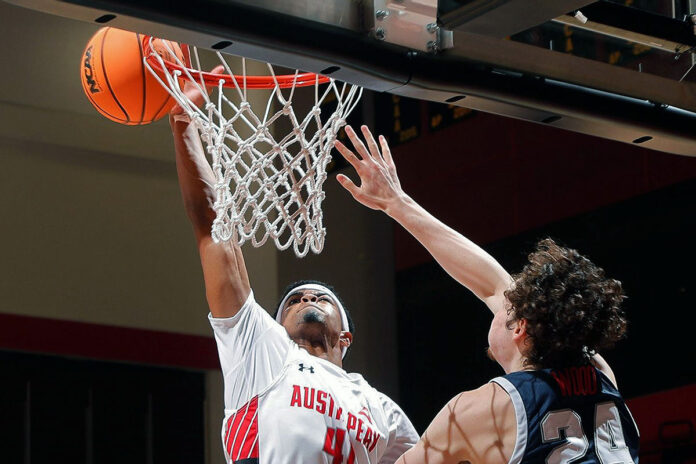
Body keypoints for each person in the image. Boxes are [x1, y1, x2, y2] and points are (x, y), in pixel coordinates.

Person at [334, 125, 640, 464]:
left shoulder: (486, 408)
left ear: (521, 328)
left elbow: (495, 285)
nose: (497, 297)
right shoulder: (600, 375)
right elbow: (490, 282)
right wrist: (397, 203)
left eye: (503, 308)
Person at [169, 75, 418, 464]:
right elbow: (212, 226)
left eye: (321, 298)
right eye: (294, 301)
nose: (307, 298)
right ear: (276, 327)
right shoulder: (264, 351)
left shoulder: (381, 409)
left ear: (346, 337)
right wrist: (183, 123)